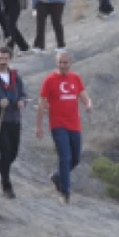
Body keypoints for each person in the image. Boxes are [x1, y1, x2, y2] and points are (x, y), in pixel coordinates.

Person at [36, 51, 92, 204]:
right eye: (60, 62)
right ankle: (65, 192)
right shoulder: (49, 80)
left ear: (70, 63)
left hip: (74, 124)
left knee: (76, 158)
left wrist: (88, 104)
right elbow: (41, 104)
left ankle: (58, 176)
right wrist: (39, 126)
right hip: (58, 124)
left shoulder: (76, 78)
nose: (63, 65)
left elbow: (83, 94)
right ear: (56, 63)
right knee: (65, 157)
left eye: (65, 62)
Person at [0, 47, 26, 199]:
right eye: (0, 58)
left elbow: (23, 95)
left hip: (14, 119)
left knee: (13, 153)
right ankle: (6, 186)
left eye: (5, 58)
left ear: (10, 59)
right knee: (5, 151)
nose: (2, 61)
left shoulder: (16, 77)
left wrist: (22, 101)